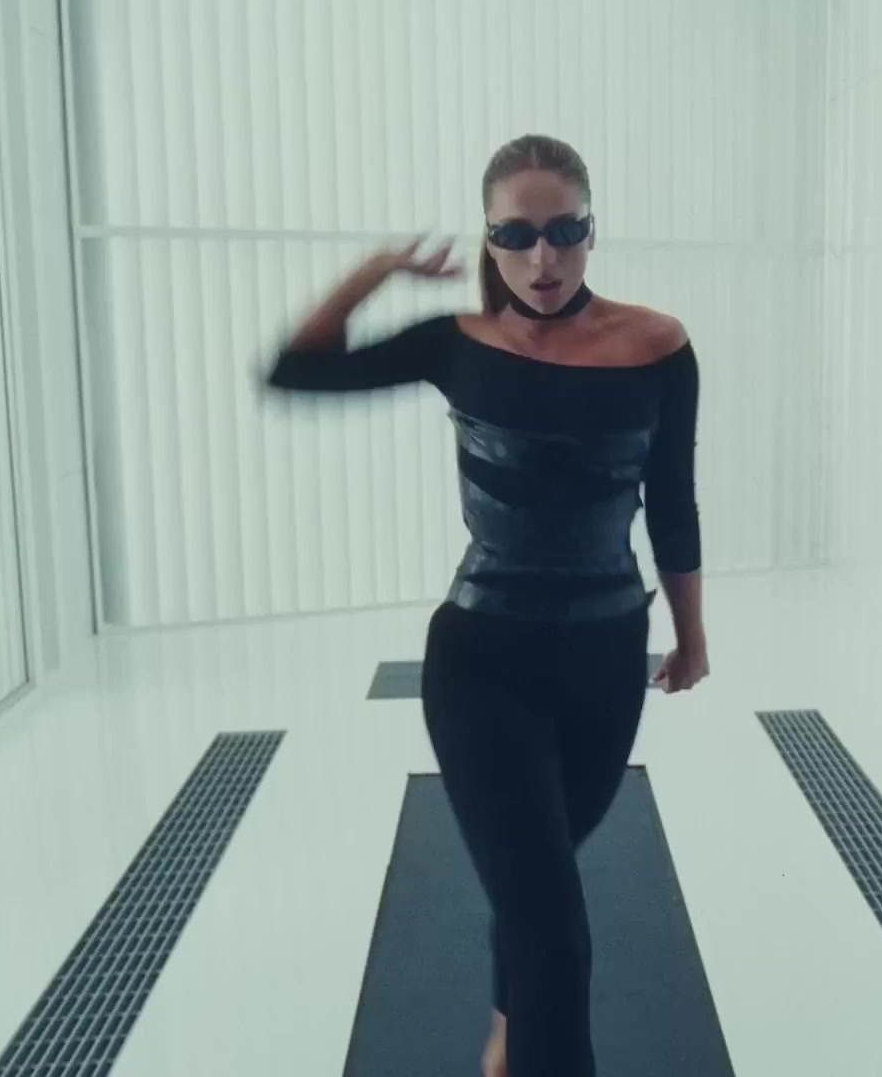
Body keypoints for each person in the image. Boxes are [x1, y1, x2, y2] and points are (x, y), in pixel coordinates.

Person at [264, 134, 708, 1077]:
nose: (543, 258)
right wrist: (379, 270)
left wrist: (692, 637)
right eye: (517, 235)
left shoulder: (658, 346)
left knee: (538, 881)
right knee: (556, 927)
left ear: (592, 231)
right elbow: (298, 369)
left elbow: (673, 501)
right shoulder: (459, 345)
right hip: (482, 662)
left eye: (565, 232)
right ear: (490, 238)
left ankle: (510, 1029)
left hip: (604, 661)